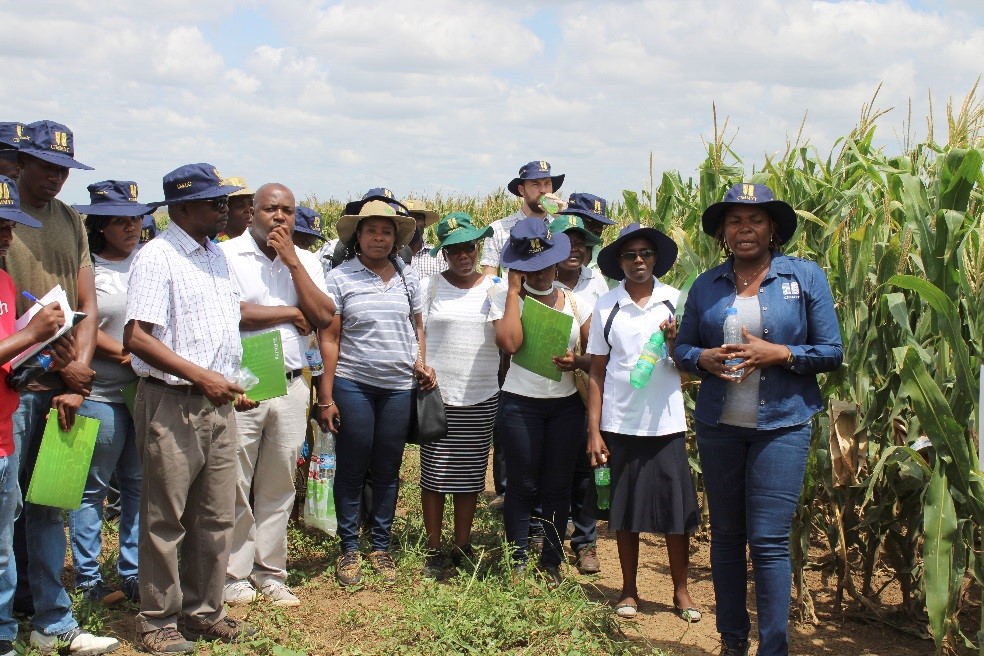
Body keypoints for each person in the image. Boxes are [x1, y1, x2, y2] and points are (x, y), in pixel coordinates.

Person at [674, 183, 843, 656]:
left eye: (755, 220)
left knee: (768, 541)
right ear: (723, 232)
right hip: (720, 426)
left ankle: (773, 648)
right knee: (726, 536)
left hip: (783, 425)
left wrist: (781, 353)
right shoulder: (707, 284)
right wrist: (701, 357)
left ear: (772, 229)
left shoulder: (804, 277)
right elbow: (683, 348)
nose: (744, 228)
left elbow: (832, 351)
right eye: (734, 221)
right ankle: (732, 641)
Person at [124, 163, 255, 654]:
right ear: (181, 207)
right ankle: (157, 619)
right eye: (214, 202)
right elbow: (136, 337)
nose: (224, 209)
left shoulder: (215, 256)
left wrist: (233, 383)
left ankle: (205, 610)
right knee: (165, 517)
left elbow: (221, 330)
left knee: (217, 515)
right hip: (173, 402)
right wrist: (200, 376)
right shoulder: (158, 257)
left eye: (225, 201)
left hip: (218, 408)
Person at [3, 120, 117, 655]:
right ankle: (9, 625)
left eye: (63, 169)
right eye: (45, 166)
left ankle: (53, 621)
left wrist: (79, 376)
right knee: (8, 515)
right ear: (19, 161)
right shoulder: (5, 217)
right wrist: (55, 358)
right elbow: (13, 309)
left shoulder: (69, 219)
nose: (54, 178)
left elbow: (88, 304)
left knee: (52, 504)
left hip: (64, 387)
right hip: (17, 385)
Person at [221, 184, 334, 608]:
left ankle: (271, 572)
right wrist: (289, 312)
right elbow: (233, 312)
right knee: (235, 479)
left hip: (290, 382)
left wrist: (292, 262)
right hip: (243, 381)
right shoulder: (228, 256)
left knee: (280, 479)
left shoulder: (305, 261)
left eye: (288, 210)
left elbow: (323, 315)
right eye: (271, 209)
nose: (280, 218)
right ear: (251, 213)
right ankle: (233, 573)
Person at [318, 197, 435, 587]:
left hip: (399, 386)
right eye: (372, 231)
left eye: (387, 232)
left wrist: (421, 361)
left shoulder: (407, 277)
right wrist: (327, 394)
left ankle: (380, 545)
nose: (380, 238)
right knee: (353, 466)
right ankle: (349, 547)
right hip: (354, 383)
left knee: (388, 468)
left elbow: (417, 327)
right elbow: (330, 339)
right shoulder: (339, 278)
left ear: (396, 238)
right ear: (358, 236)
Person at [586, 223, 700, 621]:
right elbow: (597, 372)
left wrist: (673, 343)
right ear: (619, 262)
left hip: (666, 423)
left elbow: (689, 365)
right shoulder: (606, 306)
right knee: (626, 512)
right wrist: (594, 431)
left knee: (675, 512)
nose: (638, 261)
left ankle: (681, 592)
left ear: (656, 260)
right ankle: (629, 590)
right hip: (621, 422)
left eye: (645, 254)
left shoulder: (676, 302)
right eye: (630, 254)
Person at [489, 218, 589, 586]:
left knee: (557, 485)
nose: (543, 274)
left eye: (547, 265)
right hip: (520, 404)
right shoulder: (502, 297)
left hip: (565, 405)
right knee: (522, 485)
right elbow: (511, 344)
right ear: (517, 267)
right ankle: (516, 559)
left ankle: (551, 560)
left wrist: (576, 362)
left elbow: (595, 357)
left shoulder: (575, 300)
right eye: (531, 267)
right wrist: (515, 293)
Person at [68, 181, 154, 607]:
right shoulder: (90, 270)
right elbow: (83, 322)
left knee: (138, 484)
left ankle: (132, 572)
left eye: (136, 218)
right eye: (120, 220)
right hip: (100, 394)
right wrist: (126, 350)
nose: (131, 227)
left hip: (143, 393)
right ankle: (87, 578)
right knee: (92, 489)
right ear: (99, 226)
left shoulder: (148, 263)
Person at [0, 176, 76, 656]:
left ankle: (9, 634)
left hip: (5, 432)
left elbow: (7, 368)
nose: (8, 235)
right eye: (0, 225)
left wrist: (49, 356)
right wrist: (33, 335)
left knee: (5, 547)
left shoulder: (5, 281)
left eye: (11, 225)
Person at [481, 161, 566, 511]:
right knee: (511, 402)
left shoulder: (560, 226)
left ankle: (548, 492)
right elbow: (489, 277)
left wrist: (563, 217)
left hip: (555, 319)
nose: (543, 190)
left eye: (548, 183)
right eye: (536, 184)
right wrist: (511, 298)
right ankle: (506, 488)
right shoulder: (500, 230)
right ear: (521, 189)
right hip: (513, 317)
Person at [417, 212, 497, 580]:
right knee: (434, 475)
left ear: (478, 247)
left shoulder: (495, 287)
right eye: (454, 250)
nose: (463, 256)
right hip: (438, 394)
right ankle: (434, 548)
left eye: (469, 247)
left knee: (470, 476)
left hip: (481, 394)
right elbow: (418, 332)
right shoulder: (430, 286)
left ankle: (462, 544)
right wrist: (419, 364)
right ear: (444, 254)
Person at [402, 199, 446, 277]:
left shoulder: (439, 256)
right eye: (408, 219)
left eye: (418, 218)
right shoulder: (390, 256)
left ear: (424, 223)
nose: (413, 223)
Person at [215, 176, 253, 241]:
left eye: (251, 203)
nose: (249, 209)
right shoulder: (218, 248)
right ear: (225, 211)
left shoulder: (262, 244)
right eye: (240, 206)